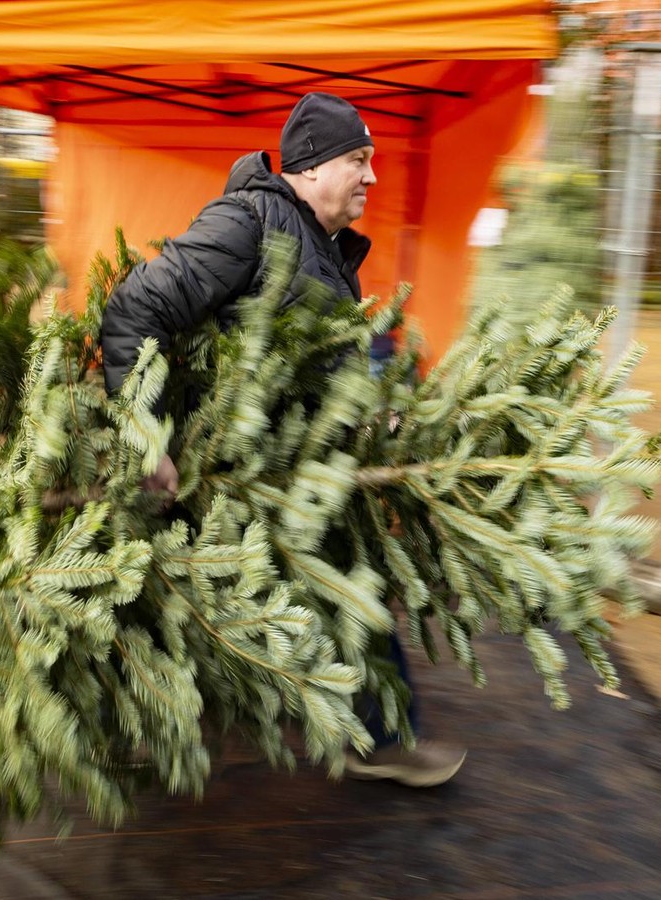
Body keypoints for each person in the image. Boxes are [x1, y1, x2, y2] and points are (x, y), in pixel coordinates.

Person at [101, 92, 466, 788]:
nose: (372, 176)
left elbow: (319, 365)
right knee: (173, 607)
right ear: (313, 165)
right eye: (358, 159)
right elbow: (135, 307)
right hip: (225, 477)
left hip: (295, 475)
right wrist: (147, 435)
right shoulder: (246, 223)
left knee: (353, 589)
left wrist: (371, 419)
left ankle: (380, 739)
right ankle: (127, 731)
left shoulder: (324, 248)